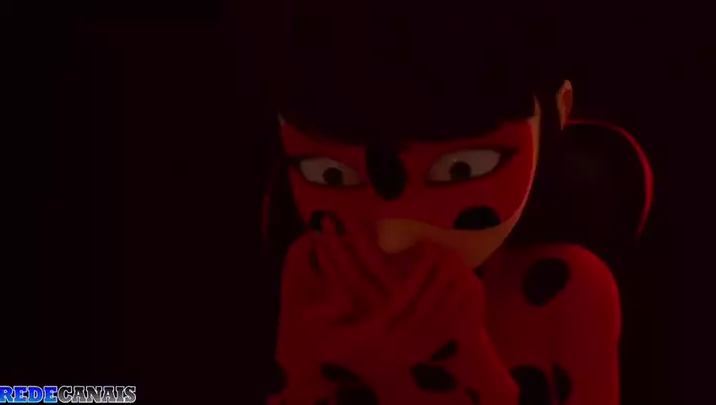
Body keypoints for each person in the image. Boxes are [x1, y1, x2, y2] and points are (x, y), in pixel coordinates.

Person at [261, 1, 649, 403]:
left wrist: (467, 363)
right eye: (330, 174)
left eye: (463, 169)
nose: (393, 239)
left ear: (558, 113)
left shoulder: (570, 291)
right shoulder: (316, 271)